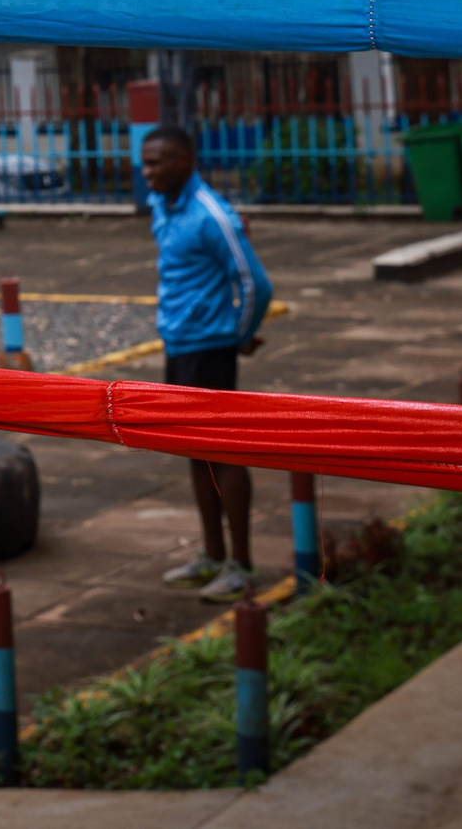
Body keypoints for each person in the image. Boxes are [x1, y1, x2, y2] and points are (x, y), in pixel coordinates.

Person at [142, 123, 274, 603]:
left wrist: (238, 336)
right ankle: (212, 555)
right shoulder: (163, 205)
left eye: (156, 162)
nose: (146, 171)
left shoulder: (211, 216)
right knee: (194, 450)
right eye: (145, 161)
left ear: (184, 163)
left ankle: (240, 565)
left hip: (210, 348)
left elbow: (256, 283)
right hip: (178, 344)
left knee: (223, 449)